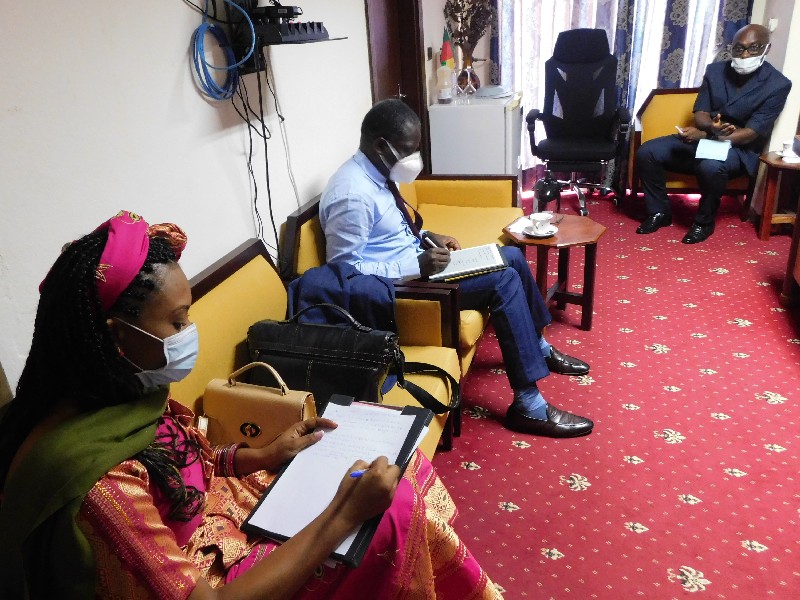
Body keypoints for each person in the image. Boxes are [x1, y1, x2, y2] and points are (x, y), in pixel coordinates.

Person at [0, 210, 502, 599]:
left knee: (394, 458)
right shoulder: (101, 489)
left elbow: (181, 462)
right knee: (386, 513)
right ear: (117, 337)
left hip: (221, 512)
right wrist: (341, 517)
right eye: (176, 322)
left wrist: (261, 455)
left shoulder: (120, 393)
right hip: (209, 574)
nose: (188, 333)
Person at [319, 99, 594, 438]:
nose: (413, 158)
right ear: (380, 145)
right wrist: (413, 265)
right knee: (503, 281)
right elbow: (343, 273)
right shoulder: (352, 194)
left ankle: (537, 347)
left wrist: (425, 236)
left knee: (510, 256)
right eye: (408, 150)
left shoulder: (379, 172)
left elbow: (388, 234)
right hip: (399, 290)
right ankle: (529, 405)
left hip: (419, 268)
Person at [635, 23, 791, 244]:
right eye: (739, 48)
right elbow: (700, 113)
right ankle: (659, 212)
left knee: (710, 165)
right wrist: (709, 128)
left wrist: (708, 135)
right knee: (648, 152)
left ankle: (703, 223)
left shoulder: (778, 85)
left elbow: (750, 133)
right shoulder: (715, 71)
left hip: (738, 150)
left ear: (767, 48)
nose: (745, 55)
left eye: (753, 48)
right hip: (705, 135)